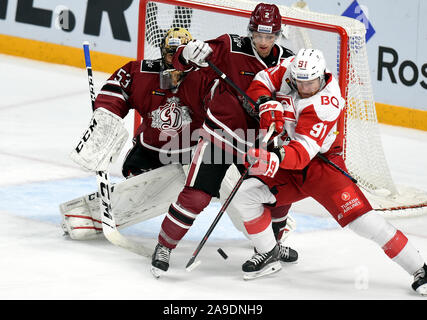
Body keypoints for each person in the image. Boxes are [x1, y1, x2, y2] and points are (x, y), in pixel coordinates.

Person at [231, 47, 427, 294]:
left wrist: (271, 157)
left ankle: (420, 268)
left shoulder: (326, 104)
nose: (305, 88)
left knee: (363, 222)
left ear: (322, 76)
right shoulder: (291, 69)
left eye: (311, 83)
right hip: (289, 160)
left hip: (321, 165)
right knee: (245, 194)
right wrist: (265, 101)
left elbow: (301, 154)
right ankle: (268, 252)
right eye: (300, 83)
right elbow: (261, 80)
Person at [151, 3, 297, 278]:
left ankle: (271, 248)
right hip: (219, 136)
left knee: (274, 196)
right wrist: (187, 52)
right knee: (196, 196)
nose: (264, 42)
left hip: (257, 144)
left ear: (278, 35)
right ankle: (164, 246)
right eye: (259, 35)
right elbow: (182, 61)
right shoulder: (230, 46)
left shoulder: (287, 60)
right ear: (251, 31)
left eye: (270, 37)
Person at [63, 27, 213, 239]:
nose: (174, 59)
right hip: (148, 153)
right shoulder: (141, 71)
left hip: (189, 156)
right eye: (170, 53)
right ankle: (88, 219)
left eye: (179, 52)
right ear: (162, 51)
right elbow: (117, 89)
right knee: (139, 191)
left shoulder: (204, 79)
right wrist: (106, 117)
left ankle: (267, 231)